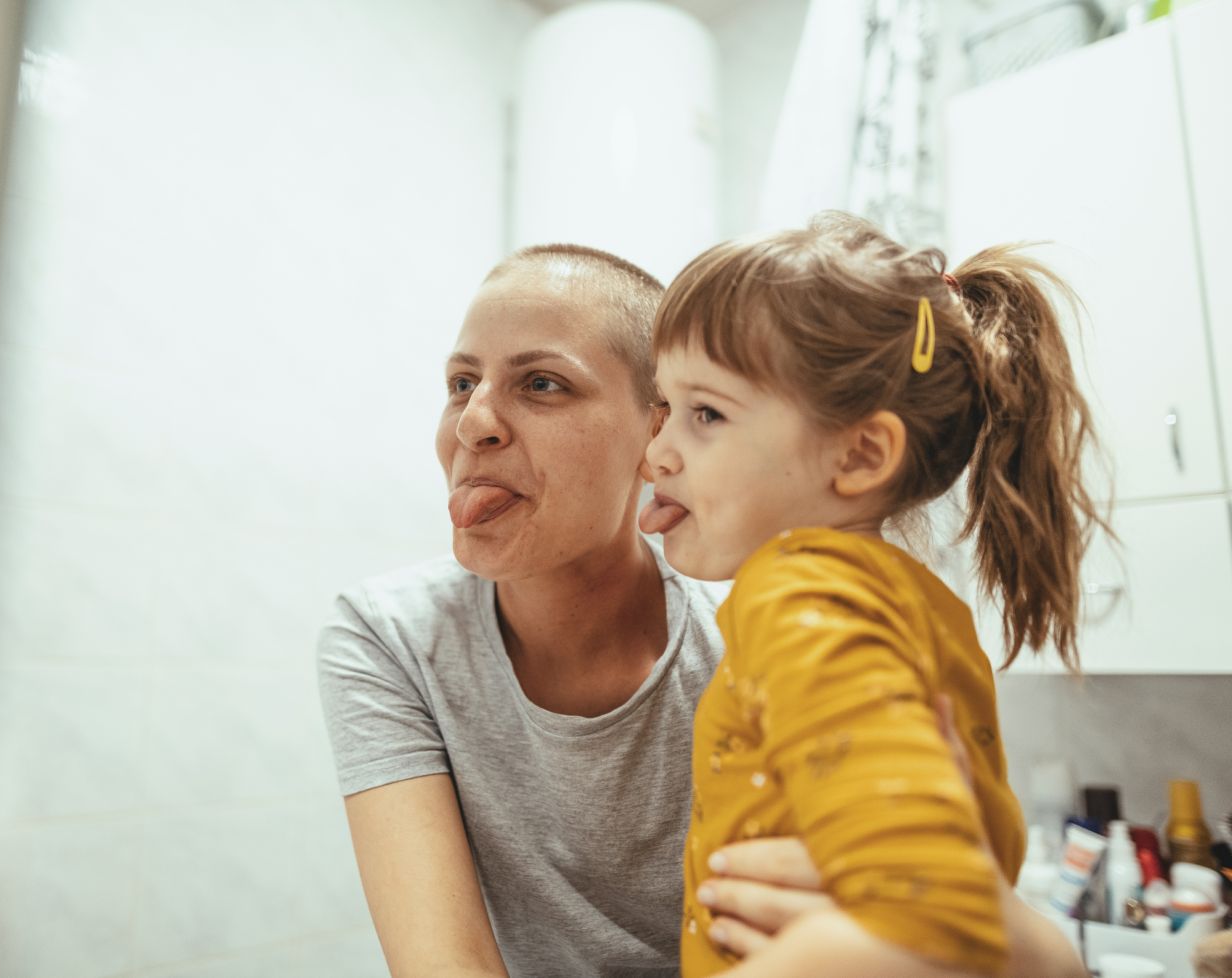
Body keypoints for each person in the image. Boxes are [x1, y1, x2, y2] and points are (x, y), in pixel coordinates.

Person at [316, 242, 1089, 978]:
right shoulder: (389, 638)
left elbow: (927, 912)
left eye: (542, 383)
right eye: (459, 384)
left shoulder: (788, 610)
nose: (472, 422)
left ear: (644, 431)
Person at [641, 212, 1107, 978]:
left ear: (860, 454)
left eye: (706, 414)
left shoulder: (797, 589)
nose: (657, 451)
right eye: (665, 407)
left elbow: (925, 924)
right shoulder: (913, 602)